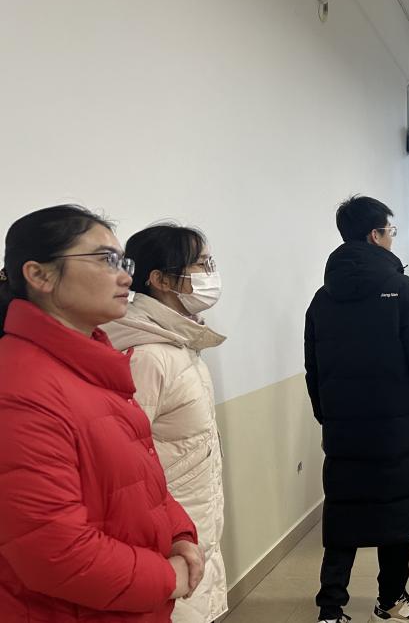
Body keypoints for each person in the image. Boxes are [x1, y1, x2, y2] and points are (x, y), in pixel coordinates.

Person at [0, 205, 202, 621]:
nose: (125, 277)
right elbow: (54, 552)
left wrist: (178, 533)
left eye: (123, 262)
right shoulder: (20, 389)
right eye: (105, 260)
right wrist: (167, 577)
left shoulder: (92, 366)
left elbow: (139, 479)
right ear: (39, 275)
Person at [305, 196, 409, 623]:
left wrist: (328, 416)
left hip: (344, 429)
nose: (391, 239)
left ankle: (331, 608)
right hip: (397, 427)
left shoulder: (323, 298)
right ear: (375, 235)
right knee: (397, 510)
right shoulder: (400, 289)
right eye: (390, 231)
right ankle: (391, 600)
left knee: (344, 511)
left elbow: (314, 367)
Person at [103, 224, 228, 623]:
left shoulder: (179, 344)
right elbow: (124, 463)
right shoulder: (145, 355)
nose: (210, 273)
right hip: (168, 539)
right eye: (200, 264)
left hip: (194, 525)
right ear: (159, 279)